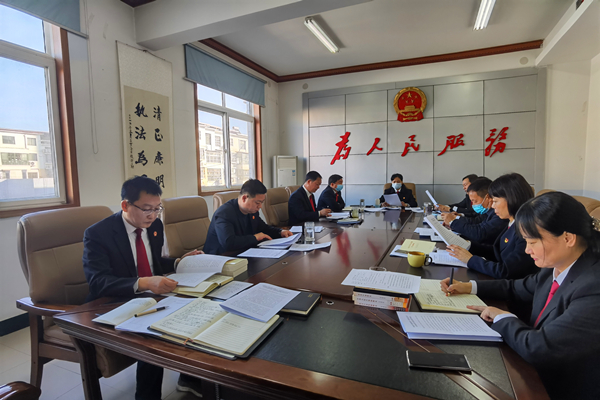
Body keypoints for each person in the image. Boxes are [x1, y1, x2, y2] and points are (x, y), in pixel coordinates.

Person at [441, 192, 600, 399]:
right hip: (534, 369)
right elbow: (516, 287)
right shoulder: (556, 266)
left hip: (562, 387)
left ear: (568, 238)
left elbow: (539, 347)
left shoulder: (593, 287)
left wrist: (502, 317)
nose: (526, 250)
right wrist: (469, 287)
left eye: (532, 242)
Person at [83, 176, 203, 400]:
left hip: (149, 295)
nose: (153, 215)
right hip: (112, 301)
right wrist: (143, 283)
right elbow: (98, 282)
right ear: (125, 205)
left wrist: (179, 262)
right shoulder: (98, 233)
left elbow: (153, 263)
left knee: (199, 306)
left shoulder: (154, 225)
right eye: (147, 209)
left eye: (157, 208)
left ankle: (191, 377)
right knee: (154, 332)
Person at [446, 173, 537, 279]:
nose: (493, 206)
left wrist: (470, 260)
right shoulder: (512, 222)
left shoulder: (526, 231)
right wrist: (469, 246)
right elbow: (496, 251)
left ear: (512, 199)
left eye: (495, 201)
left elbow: (505, 271)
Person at [203, 179, 293, 254]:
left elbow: (263, 228)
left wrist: (280, 232)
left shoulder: (252, 211)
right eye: (257, 203)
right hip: (221, 257)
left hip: (243, 253)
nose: (260, 206)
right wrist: (255, 238)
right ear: (244, 198)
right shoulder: (224, 213)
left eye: (262, 202)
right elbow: (228, 243)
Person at [444, 177, 508, 246]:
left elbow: (481, 233)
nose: (493, 205)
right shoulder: (489, 211)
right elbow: (477, 224)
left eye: (495, 201)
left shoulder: (500, 214)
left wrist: (454, 222)